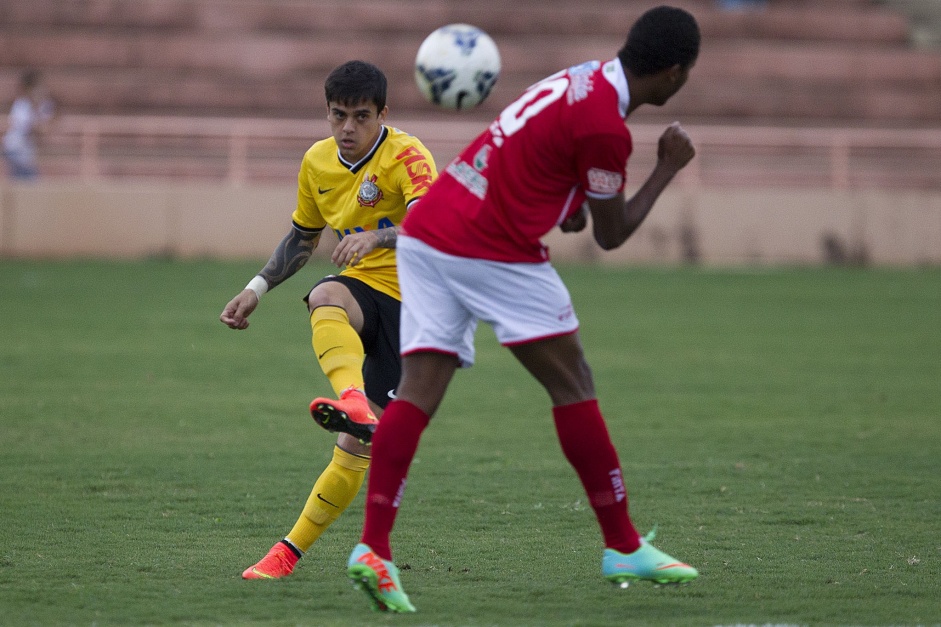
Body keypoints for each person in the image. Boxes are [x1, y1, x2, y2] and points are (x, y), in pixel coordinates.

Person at [313, 5, 702, 613]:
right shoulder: (608, 127)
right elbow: (611, 233)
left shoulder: (580, 79)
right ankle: (623, 545)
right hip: (489, 245)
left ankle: (374, 549)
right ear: (675, 73)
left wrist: (568, 199)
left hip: (429, 230)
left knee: (417, 393)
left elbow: (553, 178)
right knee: (574, 382)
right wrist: (667, 168)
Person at [219, 60, 437, 580]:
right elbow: (302, 236)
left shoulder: (406, 154)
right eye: (338, 115)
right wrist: (257, 288)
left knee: (354, 452)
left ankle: (292, 548)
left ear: (383, 114)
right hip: (364, 290)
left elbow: (436, 223)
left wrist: (378, 237)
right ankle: (353, 402)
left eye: (361, 116)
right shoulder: (318, 162)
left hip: (421, 305)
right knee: (327, 294)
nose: (347, 128)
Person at [3, 69, 56, 180]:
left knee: (27, 180)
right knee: (28, 180)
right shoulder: (21, 105)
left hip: (27, 151)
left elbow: (47, 126)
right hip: (15, 148)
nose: (41, 90)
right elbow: (31, 127)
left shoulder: (45, 105)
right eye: (38, 87)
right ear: (29, 89)